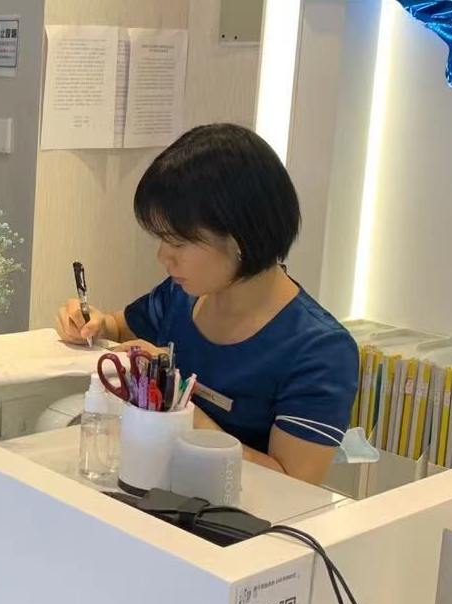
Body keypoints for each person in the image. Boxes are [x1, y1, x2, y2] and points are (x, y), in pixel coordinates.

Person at [56, 124, 358, 486]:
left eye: (178, 243)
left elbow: (294, 484)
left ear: (239, 239)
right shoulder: (181, 297)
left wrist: (179, 406)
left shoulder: (320, 350)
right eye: (160, 239)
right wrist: (92, 323)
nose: (163, 257)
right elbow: (119, 327)